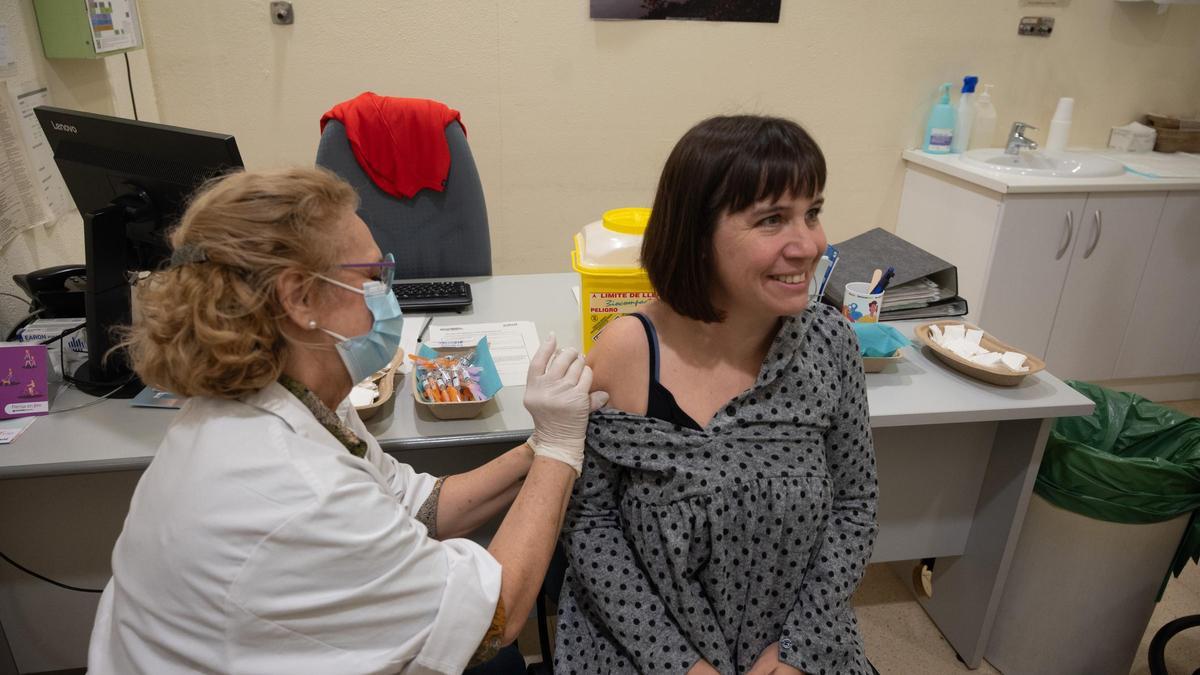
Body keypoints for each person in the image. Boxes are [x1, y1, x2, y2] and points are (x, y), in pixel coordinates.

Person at [88, 167, 607, 674]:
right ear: (300, 298)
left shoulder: (285, 399)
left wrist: (536, 444)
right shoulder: (294, 487)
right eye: (374, 277)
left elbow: (419, 507)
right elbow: (497, 617)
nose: (387, 295)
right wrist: (561, 451)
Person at [555, 116, 878, 674]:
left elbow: (856, 505)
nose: (809, 244)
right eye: (773, 220)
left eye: (813, 212)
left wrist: (798, 652)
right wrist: (678, 664)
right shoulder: (627, 352)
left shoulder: (831, 344)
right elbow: (589, 523)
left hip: (794, 640)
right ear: (697, 236)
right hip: (645, 645)